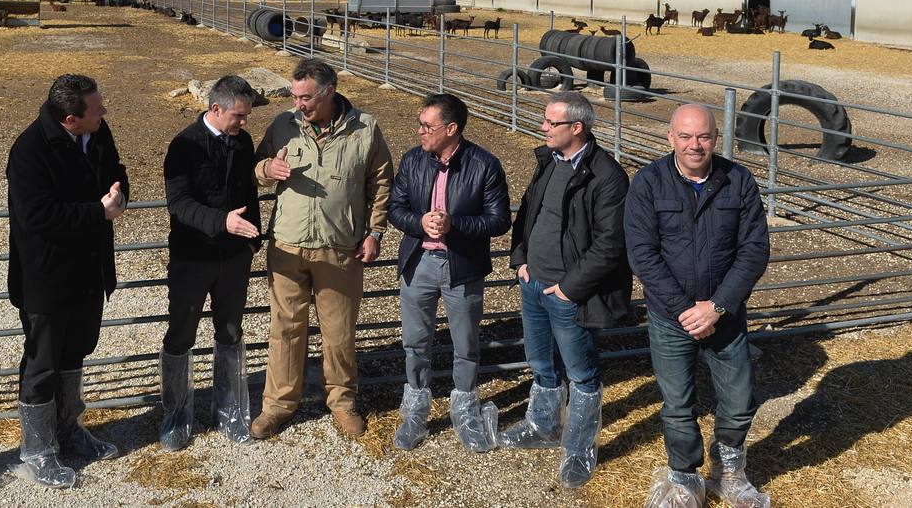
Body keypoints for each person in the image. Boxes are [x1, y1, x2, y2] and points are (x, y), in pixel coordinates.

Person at [625, 103, 770, 508]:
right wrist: (686, 311)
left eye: (703, 136)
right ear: (670, 137)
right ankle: (685, 478)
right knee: (677, 404)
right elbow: (642, 254)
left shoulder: (738, 180)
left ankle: (728, 472)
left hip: (725, 315)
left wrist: (718, 306)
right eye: (685, 136)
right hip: (671, 317)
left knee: (740, 399)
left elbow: (754, 250)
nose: (695, 145)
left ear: (715, 138)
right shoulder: (649, 182)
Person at [250, 57, 394, 440]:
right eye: (295, 96)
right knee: (285, 329)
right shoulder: (283, 125)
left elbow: (381, 185)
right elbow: (254, 167)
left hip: (340, 248)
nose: (299, 103)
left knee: (339, 332)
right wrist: (267, 171)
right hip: (287, 246)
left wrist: (375, 232)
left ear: (329, 91)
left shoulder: (365, 129)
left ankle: (343, 404)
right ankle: (278, 406)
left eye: (306, 97)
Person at [499, 91, 632, 489]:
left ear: (577, 128)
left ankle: (579, 449)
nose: (543, 127)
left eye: (550, 122)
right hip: (533, 281)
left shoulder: (606, 176)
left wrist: (568, 289)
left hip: (568, 293)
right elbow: (528, 213)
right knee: (541, 363)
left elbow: (610, 243)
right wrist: (520, 260)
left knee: (582, 373)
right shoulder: (549, 161)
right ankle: (543, 427)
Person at [7, 74, 129, 488]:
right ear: (71, 119)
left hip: (89, 269)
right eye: (97, 109)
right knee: (42, 363)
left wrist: (119, 194)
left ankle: (68, 430)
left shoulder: (96, 132)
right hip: (47, 277)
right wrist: (99, 212)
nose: (105, 112)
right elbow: (37, 217)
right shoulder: (30, 151)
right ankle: (37, 448)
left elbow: (116, 169)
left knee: (76, 351)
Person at [386, 93, 510, 452]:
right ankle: (415, 410)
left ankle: (466, 410)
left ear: (451, 129)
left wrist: (455, 224)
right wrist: (420, 221)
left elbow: (499, 220)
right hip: (419, 263)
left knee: (466, 343)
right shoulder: (413, 160)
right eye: (421, 124)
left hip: (463, 267)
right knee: (415, 341)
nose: (420, 131)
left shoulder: (485, 164)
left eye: (428, 126)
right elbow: (396, 208)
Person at [159, 75, 262, 450]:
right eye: (239, 115)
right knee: (181, 334)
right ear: (215, 109)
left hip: (234, 256)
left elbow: (249, 192)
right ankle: (175, 415)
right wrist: (222, 222)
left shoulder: (243, 141)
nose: (244, 123)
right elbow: (179, 203)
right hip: (193, 256)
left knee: (230, 331)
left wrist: (254, 238)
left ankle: (230, 410)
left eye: (247, 115)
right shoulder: (183, 146)